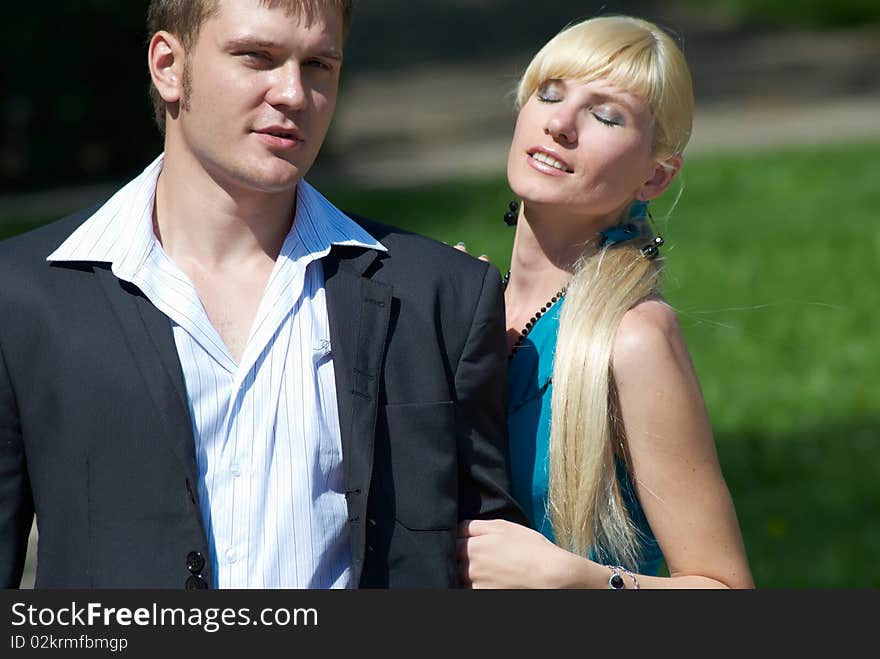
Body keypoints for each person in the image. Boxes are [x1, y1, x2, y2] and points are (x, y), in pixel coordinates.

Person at [0, 0, 525, 589]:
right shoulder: (22, 297)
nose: (294, 94)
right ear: (168, 65)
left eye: (320, 65)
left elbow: (492, 569)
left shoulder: (440, 296)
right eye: (258, 57)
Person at [456, 15, 754, 588]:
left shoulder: (632, 338)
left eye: (605, 115)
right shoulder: (461, 301)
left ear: (656, 177)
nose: (561, 124)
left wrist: (571, 580)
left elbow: (727, 591)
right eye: (549, 94)